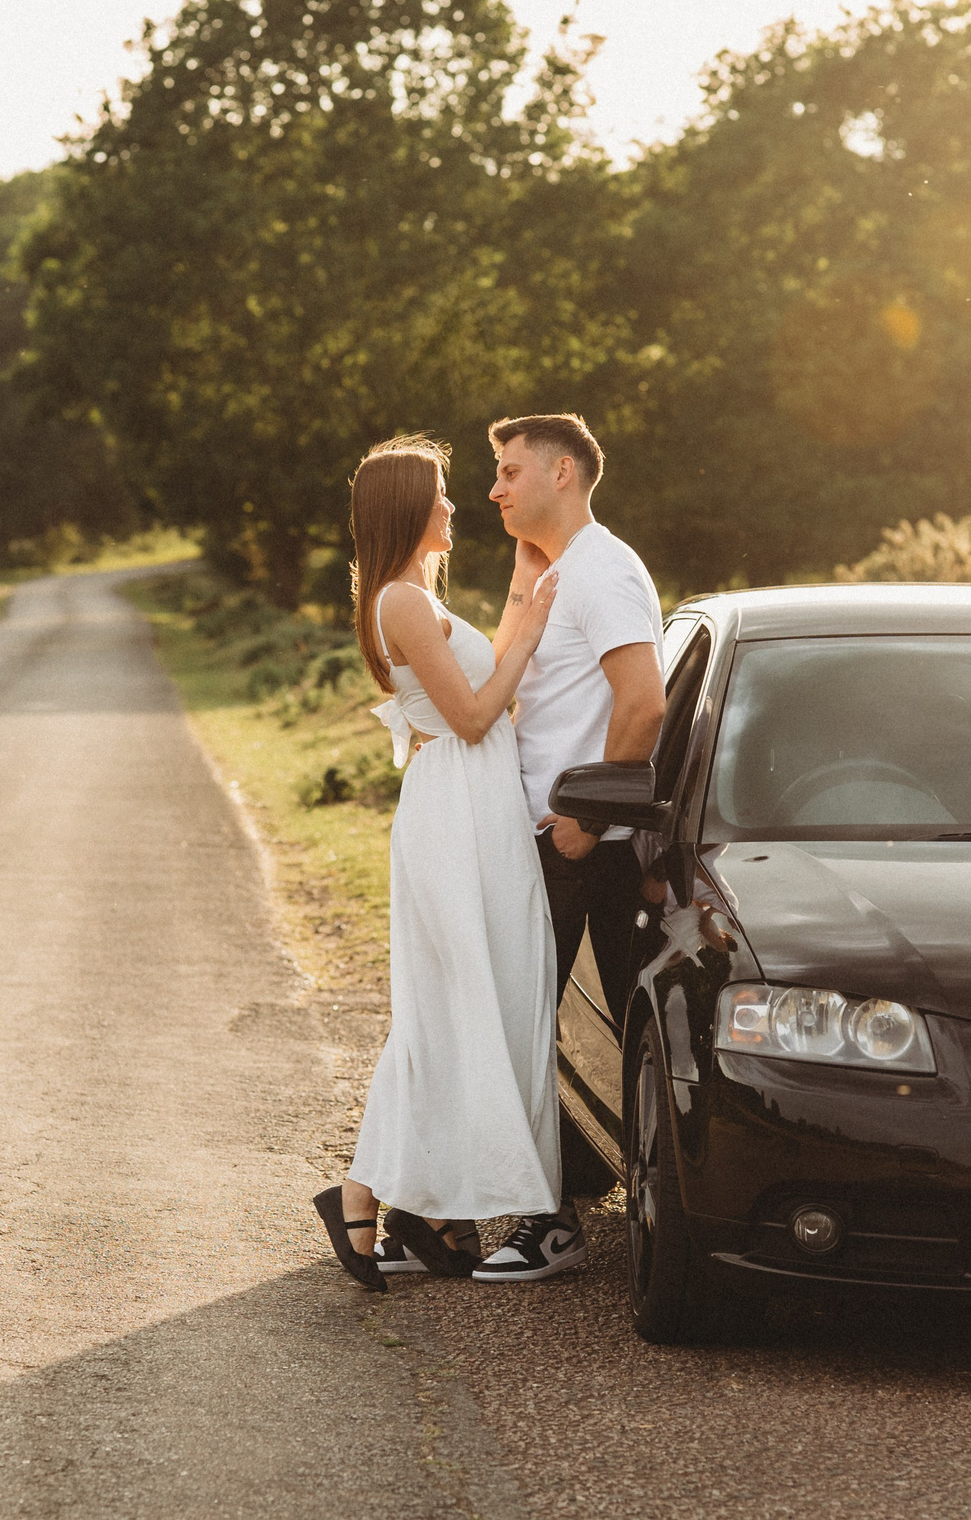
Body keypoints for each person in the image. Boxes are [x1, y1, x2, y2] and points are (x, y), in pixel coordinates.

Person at [313, 435, 566, 1293]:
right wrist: (527, 635)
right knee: (448, 1007)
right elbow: (471, 716)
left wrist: (530, 568)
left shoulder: (421, 596)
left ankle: (431, 1209)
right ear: (407, 510)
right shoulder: (399, 600)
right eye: (443, 496)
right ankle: (367, 1195)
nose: (456, 506)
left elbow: (476, 684)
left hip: (474, 805)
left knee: (474, 1000)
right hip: (455, 808)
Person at [464, 413, 663, 1283]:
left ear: (564, 472)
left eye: (510, 471)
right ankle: (582, 1179)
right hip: (560, 835)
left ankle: (550, 1227)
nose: (496, 488)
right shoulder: (560, 571)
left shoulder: (605, 572)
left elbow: (644, 703)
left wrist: (589, 817)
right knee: (599, 1020)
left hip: (579, 840)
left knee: (518, 1016)